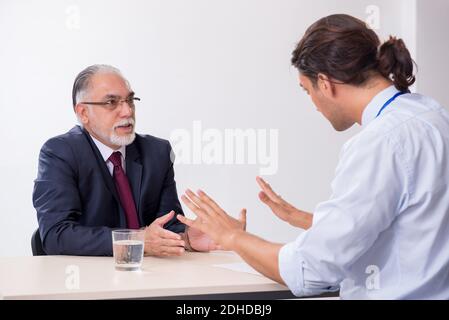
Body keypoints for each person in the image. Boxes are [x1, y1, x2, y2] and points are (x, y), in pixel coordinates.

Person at [176, 14, 449, 299]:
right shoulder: (431, 114)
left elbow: (311, 271)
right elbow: (408, 223)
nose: (315, 106)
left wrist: (233, 237)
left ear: (325, 83)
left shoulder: (379, 142)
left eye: (307, 91)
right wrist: (306, 219)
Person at [33, 64, 246, 256]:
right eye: (111, 102)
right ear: (83, 112)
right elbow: (56, 235)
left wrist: (189, 238)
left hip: (148, 278)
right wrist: (136, 240)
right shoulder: (60, 152)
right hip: (89, 280)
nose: (127, 111)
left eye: (129, 100)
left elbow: (167, 224)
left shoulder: (157, 152)